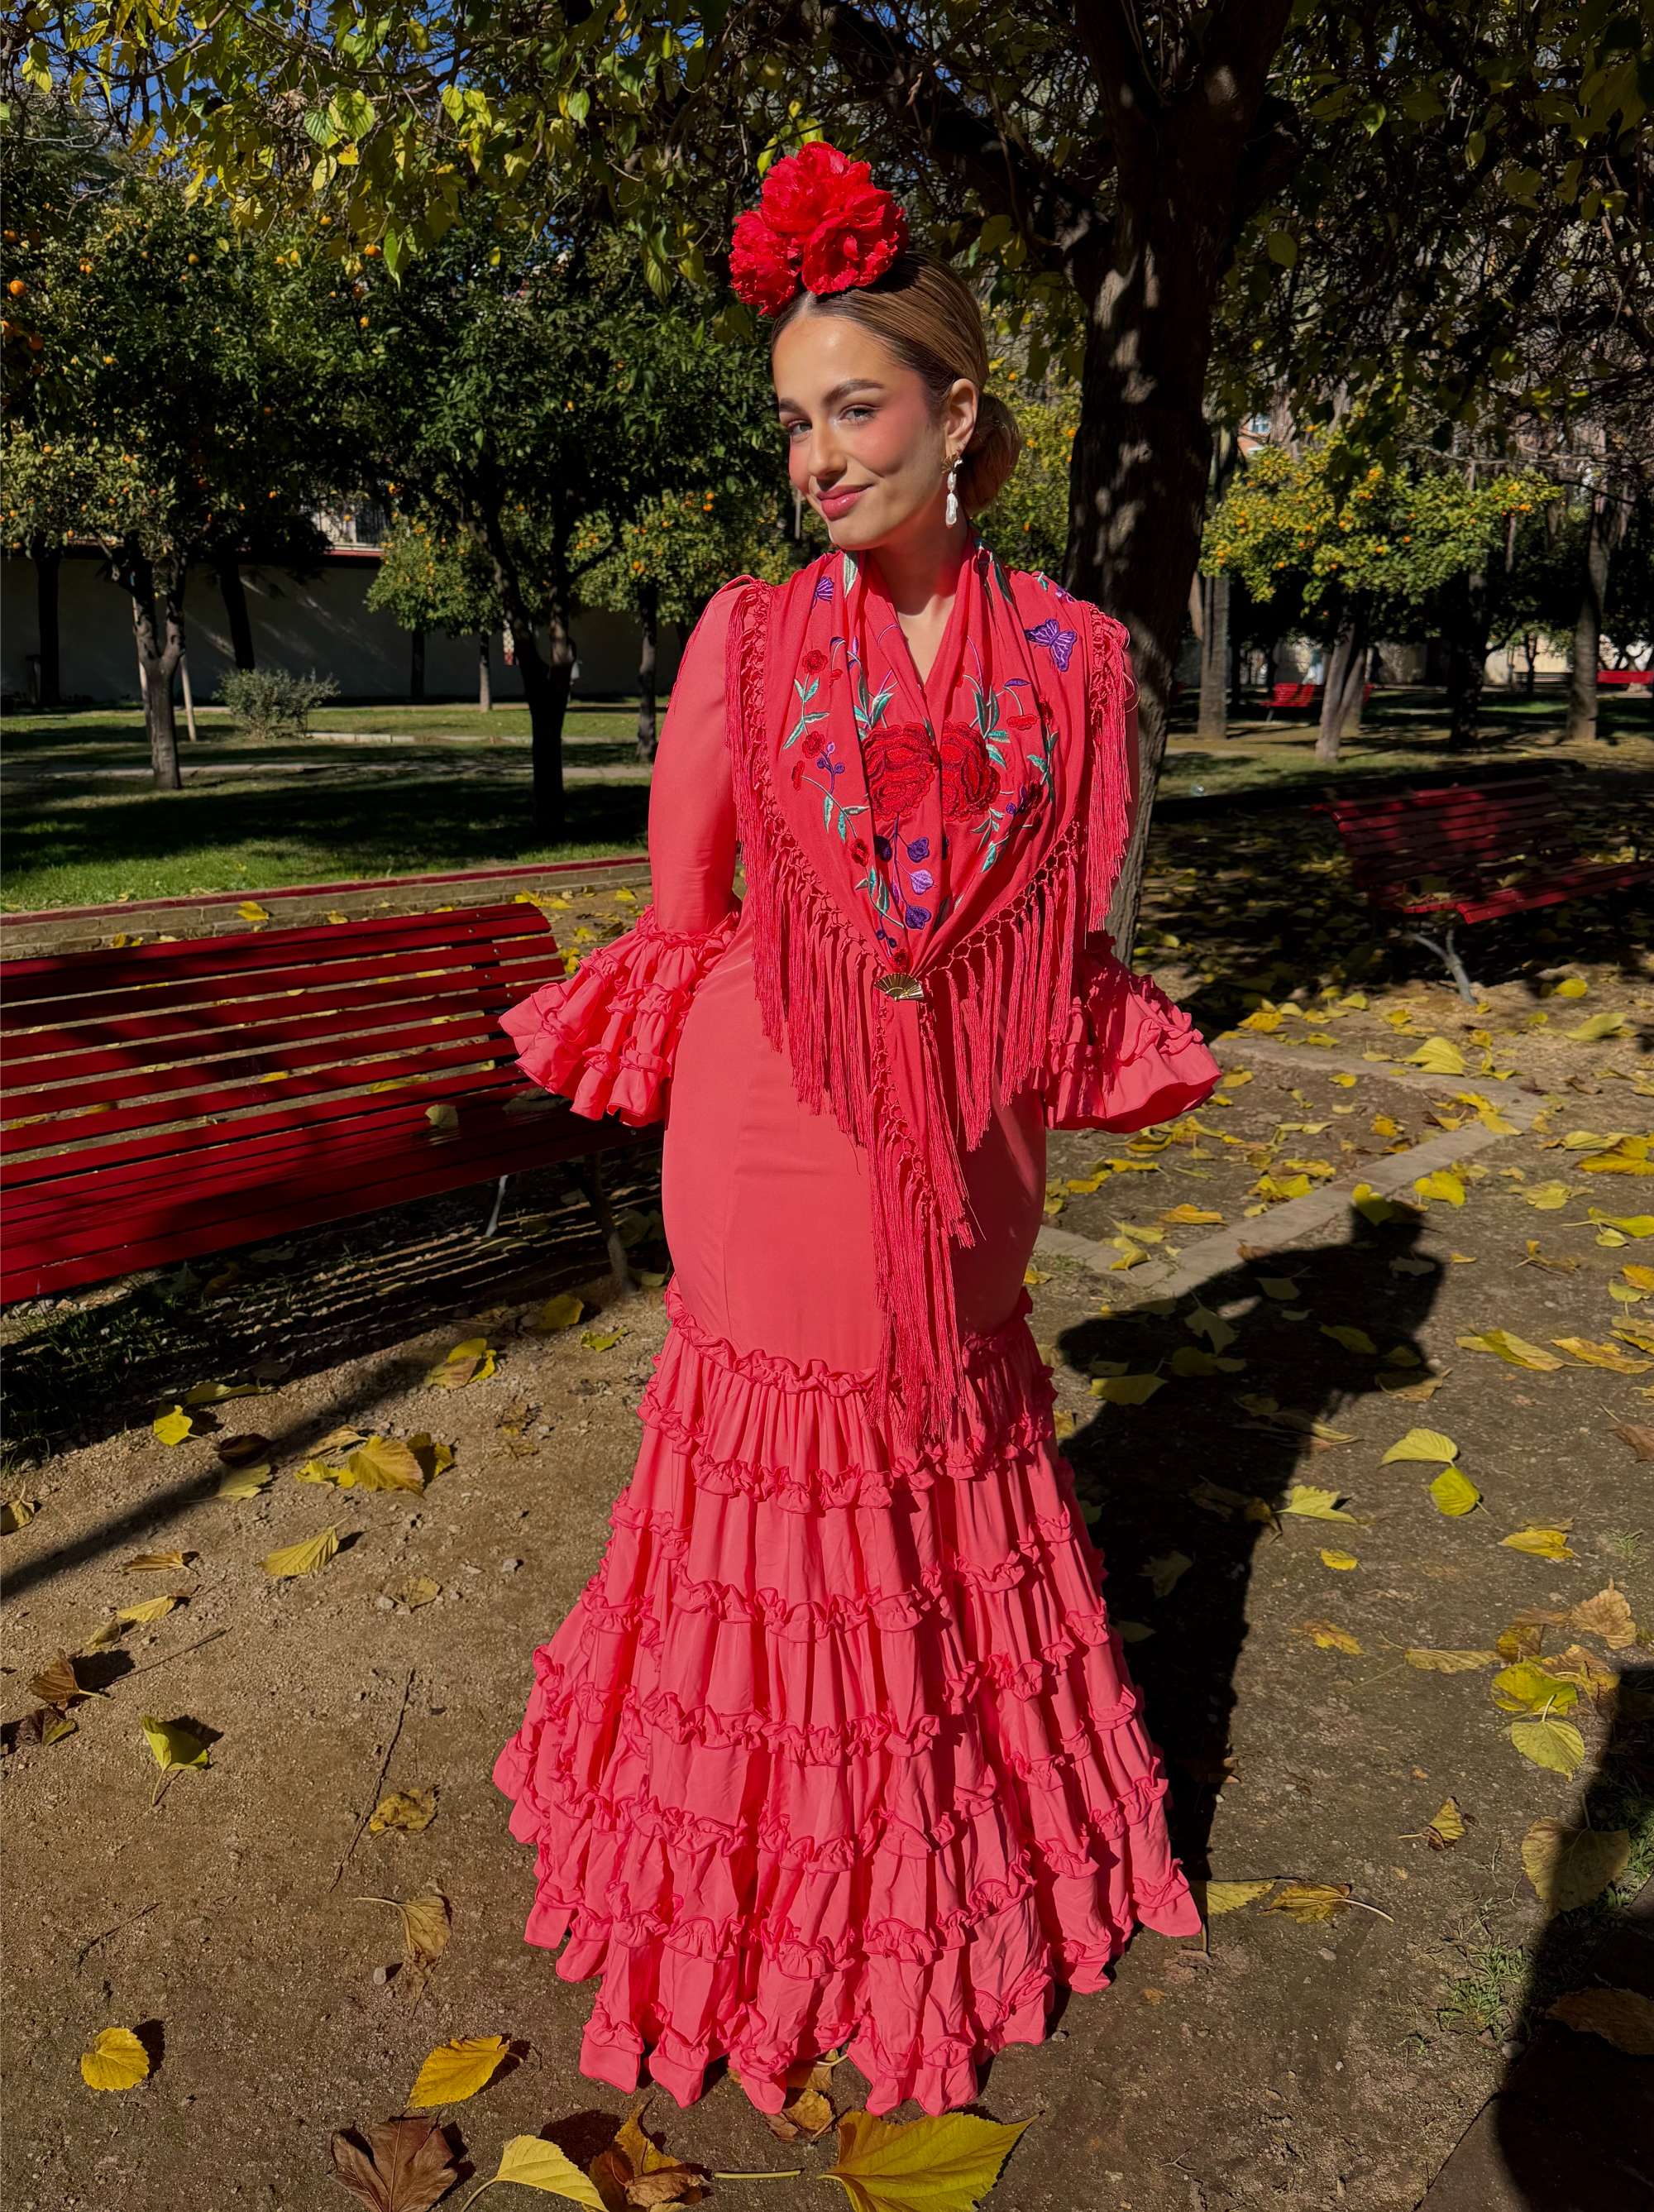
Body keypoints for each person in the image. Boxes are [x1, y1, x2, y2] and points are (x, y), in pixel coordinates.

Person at [491, 141, 1224, 2121]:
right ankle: (748, 1904)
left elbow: (1069, 939)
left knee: (941, 1453)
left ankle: (945, 1868)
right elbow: (684, 908)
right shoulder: (742, 637)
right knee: (783, 1476)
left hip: (972, 1140)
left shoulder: (1075, 660)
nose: (819, 455)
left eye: (857, 406)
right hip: (768, 1120)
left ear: (956, 411)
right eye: (796, 421)